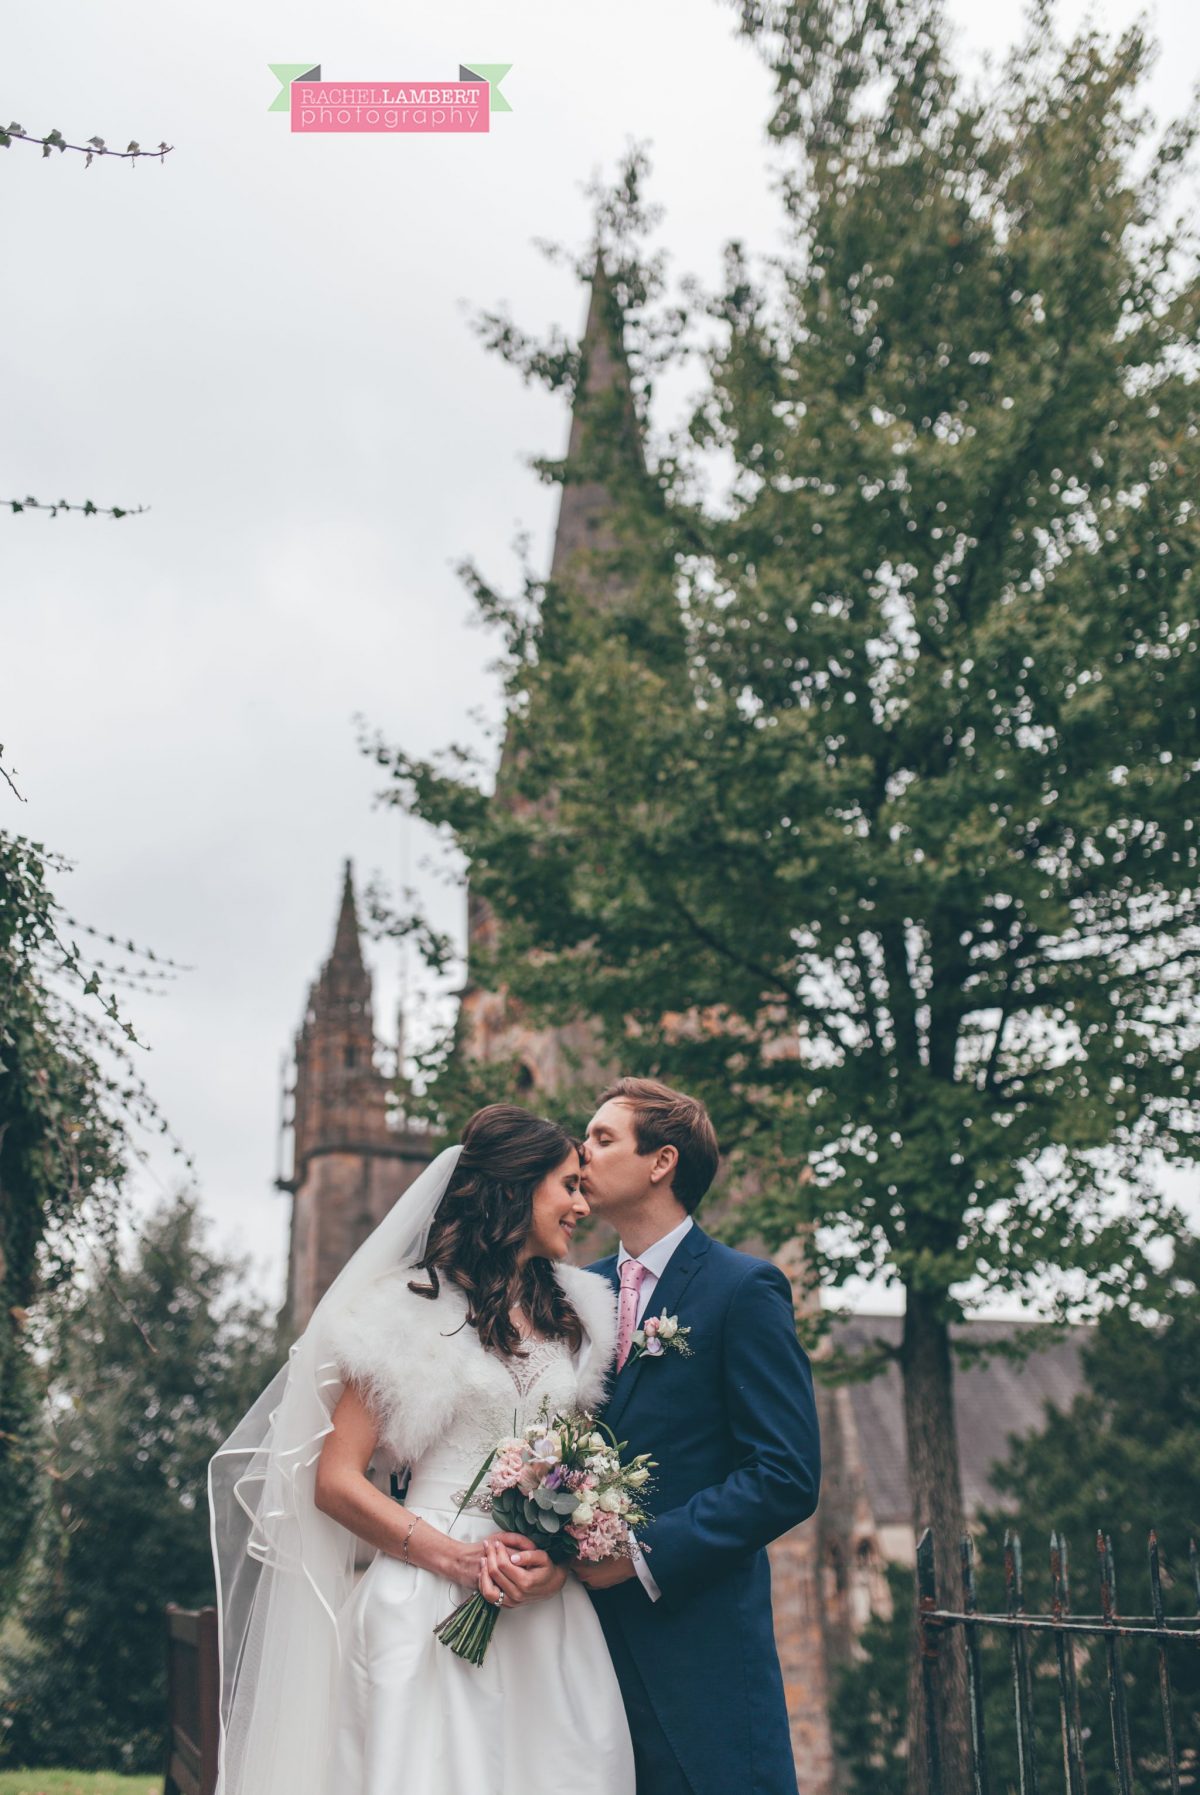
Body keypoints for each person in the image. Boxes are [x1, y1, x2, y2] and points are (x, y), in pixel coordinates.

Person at [208, 1104, 633, 1795]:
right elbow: (336, 1480)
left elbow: (568, 1471)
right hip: (427, 1595)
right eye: (568, 1186)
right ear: (515, 1189)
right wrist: (455, 1556)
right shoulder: (406, 1310)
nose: (582, 1205)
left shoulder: (581, 1314)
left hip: (544, 1611)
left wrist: (554, 1562)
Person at [575, 1077, 821, 1795]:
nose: (580, 1151)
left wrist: (641, 1556)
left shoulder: (744, 1289)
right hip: (577, 1651)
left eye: (602, 1137)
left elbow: (785, 1474)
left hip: (700, 1659)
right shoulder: (572, 1292)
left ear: (662, 1162)